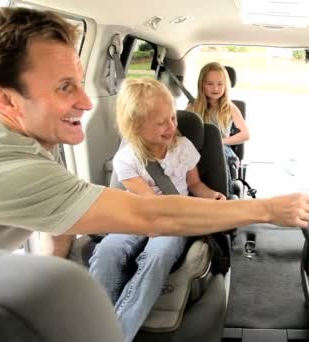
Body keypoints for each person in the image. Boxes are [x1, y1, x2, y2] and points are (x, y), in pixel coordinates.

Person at [0, 8, 309, 255]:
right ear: (5, 100)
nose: (87, 103)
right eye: (64, 87)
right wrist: (267, 209)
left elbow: (57, 221)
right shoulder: (6, 169)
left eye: (82, 83)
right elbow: (151, 215)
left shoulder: (23, 137)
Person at [88, 78, 225, 341]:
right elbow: (152, 205)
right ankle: (96, 322)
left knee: (158, 253)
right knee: (108, 250)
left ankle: (118, 333)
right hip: (142, 215)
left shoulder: (182, 147)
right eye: (162, 123)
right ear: (136, 127)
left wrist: (212, 197)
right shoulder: (126, 160)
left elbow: (194, 184)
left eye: (172, 118)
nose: (171, 126)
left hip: (176, 220)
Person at [186, 62, 249, 182]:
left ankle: (224, 191)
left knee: (218, 154)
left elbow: (245, 134)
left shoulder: (230, 107)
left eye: (220, 84)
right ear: (202, 85)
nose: (215, 88)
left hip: (222, 150)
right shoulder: (193, 107)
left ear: (226, 86)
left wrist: (220, 142)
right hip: (199, 150)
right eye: (210, 84)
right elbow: (184, 132)